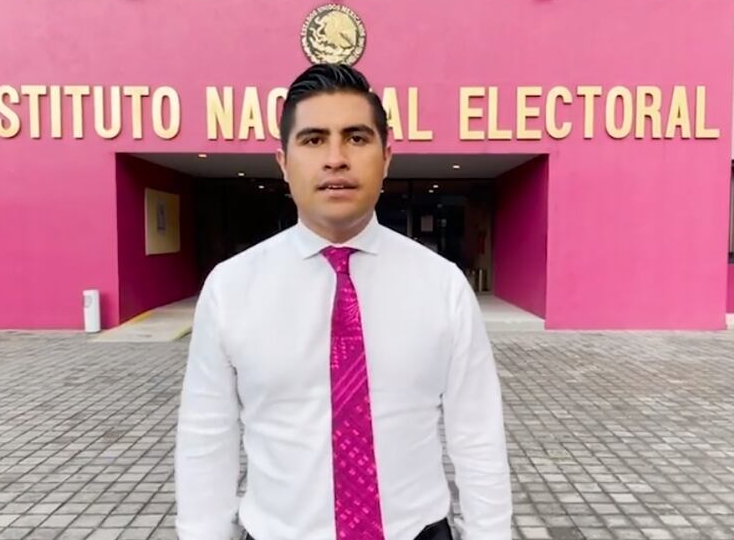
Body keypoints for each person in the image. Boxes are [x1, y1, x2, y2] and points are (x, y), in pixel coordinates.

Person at [174, 63, 512, 540]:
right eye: (313, 139)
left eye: (356, 138)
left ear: (386, 157)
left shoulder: (443, 286)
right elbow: (207, 440)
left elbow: (477, 436)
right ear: (283, 162)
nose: (336, 158)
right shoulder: (230, 288)